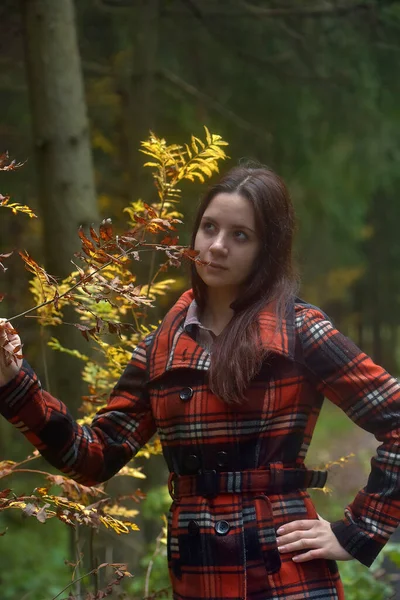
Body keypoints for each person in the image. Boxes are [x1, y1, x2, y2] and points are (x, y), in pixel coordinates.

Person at [0, 165, 399, 600]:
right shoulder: (159, 349)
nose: (217, 246)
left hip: (285, 575)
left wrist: (358, 530)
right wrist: (13, 381)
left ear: (268, 249)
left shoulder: (298, 331)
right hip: (198, 573)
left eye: (240, 235)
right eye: (209, 227)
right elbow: (93, 457)